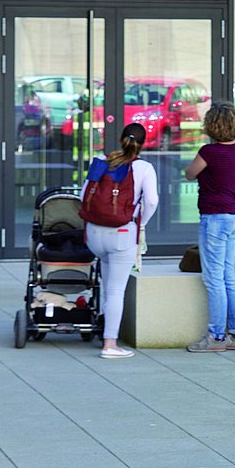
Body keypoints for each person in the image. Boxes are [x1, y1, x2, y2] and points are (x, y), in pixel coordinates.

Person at [84, 123, 159, 359]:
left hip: (95, 235)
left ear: (120, 139)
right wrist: (141, 222)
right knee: (116, 291)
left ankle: (106, 330)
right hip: (122, 235)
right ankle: (110, 344)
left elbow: (83, 194)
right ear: (144, 143)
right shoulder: (144, 168)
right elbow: (152, 201)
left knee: (109, 287)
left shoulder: (101, 161)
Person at [184, 101, 235, 353]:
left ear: (211, 126)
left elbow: (190, 173)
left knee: (213, 280)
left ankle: (216, 337)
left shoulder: (208, 153)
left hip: (214, 218)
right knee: (228, 276)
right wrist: (230, 202)